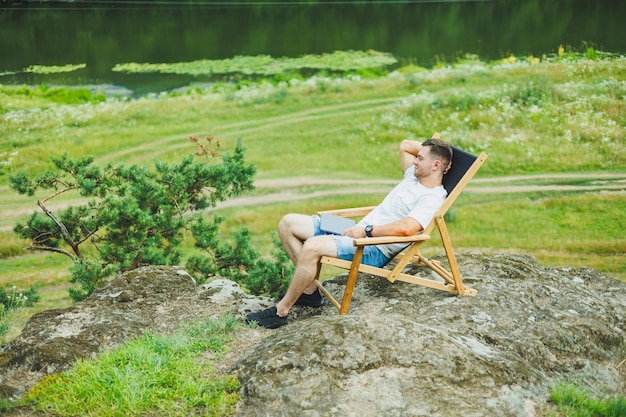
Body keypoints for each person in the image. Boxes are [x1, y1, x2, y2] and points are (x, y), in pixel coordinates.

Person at [245, 135, 453, 328]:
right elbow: (405, 145)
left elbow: (408, 228)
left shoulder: (432, 197)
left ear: (436, 165)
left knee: (312, 246)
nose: (415, 161)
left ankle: (281, 311)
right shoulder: (413, 176)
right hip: (356, 228)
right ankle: (309, 292)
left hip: (372, 246)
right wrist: (443, 153)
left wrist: (367, 232)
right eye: (416, 158)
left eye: (420, 158)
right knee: (288, 223)